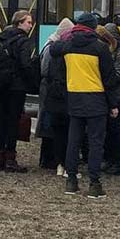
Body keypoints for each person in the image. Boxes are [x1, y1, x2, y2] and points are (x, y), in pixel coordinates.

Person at [50, 12, 117, 198]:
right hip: (96, 99)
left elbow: (54, 52)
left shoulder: (66, 46)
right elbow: (109, 79)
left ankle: (71, 181)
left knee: (73, 141)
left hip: (74, 98)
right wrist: (113, 104)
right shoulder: (100, 48)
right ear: (94, 27)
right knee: (96, 143)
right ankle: (94, 184)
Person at [0, 10, 37, 173]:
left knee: (2, 120)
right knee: (13, 121)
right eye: (28, 22)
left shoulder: (1, 38)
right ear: (19, 23)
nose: (30, 25)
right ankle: (10, 158)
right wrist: (31, 82)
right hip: (16, 86)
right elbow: (25, 64)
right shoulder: (23, 41)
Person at [37, 18, 74, 172]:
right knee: (49, 122)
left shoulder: (51, 44)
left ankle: (49, 158)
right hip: (49, 88)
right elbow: (44, 69)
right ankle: (48, 158)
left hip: (50, 88)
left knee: (51, 122)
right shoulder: (52, 47)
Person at [98, 23, 120, 176]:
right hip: (111, 94)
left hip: (117, 95)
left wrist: (104, 77)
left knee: (116, 130)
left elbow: (119, 74)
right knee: (109, 130)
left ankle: (118, 163)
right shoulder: (115, 50)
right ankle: (110, 159)